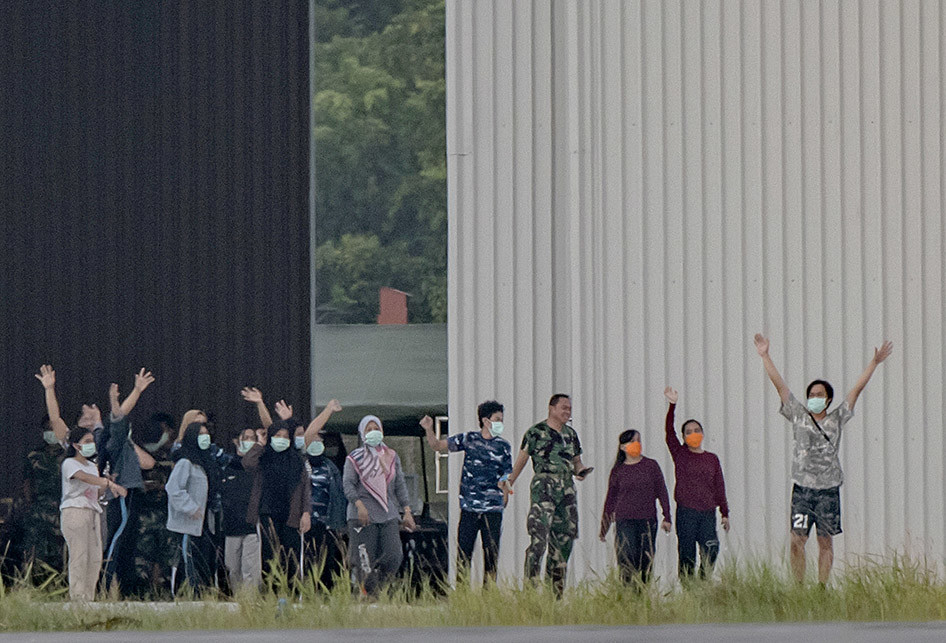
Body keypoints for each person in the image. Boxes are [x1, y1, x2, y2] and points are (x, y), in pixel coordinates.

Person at [754, 333, 893, 585]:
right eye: (811, 394)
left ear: (828, 399)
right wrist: (765, 355)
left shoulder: (837, 418)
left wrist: (874, 363)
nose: (814, 397)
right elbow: (780, 386)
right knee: (797, 540)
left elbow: (856, 390)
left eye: (819, 394)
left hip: (828, 490)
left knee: (825, 541)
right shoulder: (798, 415)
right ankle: (798, 587)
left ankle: (820, 588)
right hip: (802, 490)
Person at [507, 394, 591, 597]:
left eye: (569, 409)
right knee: (539, 539)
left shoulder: (571, 434)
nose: (567, 412)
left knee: (564, 540)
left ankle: (555, 594)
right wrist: (509, 482)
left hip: (566, 488)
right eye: (563, 408)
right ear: (551, 408)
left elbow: (576, 460)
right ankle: (530, 589)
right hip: (545, 486)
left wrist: (580, 470)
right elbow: (522, 459)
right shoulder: (536, 432)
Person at [421, 400, 512, 583]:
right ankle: (462, 594)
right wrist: (429, 429)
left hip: (492, 510)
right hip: (470, 508)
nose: (500, 423)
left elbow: (506, 475)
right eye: (497, 419)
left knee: (491, 556)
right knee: (464, 554)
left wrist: (505, 490)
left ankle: (489, 597)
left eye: (501, 419)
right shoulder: (469, 439)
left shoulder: (503, 446)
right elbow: (437, 445)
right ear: (486, 421)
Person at [99, 369, 157, 597]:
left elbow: (149, 463)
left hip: (133, 495)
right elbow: (119, 419)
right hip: (121, 496)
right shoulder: (114, 444)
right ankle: (105, 586)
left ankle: (125, 588)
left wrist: (131, 442)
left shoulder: (127, 446)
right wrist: (134, 392)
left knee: (129, 544)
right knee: (118, 541)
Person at [343, 415, 415, 597]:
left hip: (387, 513)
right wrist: (359, 505)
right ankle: (369, 594)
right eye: (369, 429)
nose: (373, 432)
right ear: (362, 433)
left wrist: (407, 510)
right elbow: (348, 484)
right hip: (362, 515)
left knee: (393, 555)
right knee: (364, 560)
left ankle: (381, 589)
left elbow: (399, 484)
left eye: (377, 428)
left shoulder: (391, 456)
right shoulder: (354, 458)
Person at [663, 387, 730, 580]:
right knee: (686, 554)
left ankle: (703, 581)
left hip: (707, 512)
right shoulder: (681, 454)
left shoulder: (711, 459)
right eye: (689, 432)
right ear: (684, 437)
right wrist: (672, 405)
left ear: (702, 433)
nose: (693, 434)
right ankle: (689, 588)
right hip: (686, 512)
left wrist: (724, 513)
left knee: (711, 549)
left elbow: (719, 486)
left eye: (697, 430)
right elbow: (668, 432)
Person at [242, 406, 312, 583]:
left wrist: (306, 512)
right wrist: (260, 443)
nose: (281, 440)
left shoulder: (297, 459)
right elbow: (247, 463)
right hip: (267, 513)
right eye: (277, 436)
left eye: (285, 437)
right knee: (269, 557)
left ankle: (293, 594)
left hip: (291, 514)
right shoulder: (264, 457)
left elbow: (305, 487)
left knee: (291, 557)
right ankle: (270, 594)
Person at [60, 425, 127, 601]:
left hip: (92, 512)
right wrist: (107, 482)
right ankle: (78, 596)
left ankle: (88, 596)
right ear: (76, 445)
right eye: (87, 442)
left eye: (92, 441)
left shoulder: (92, 466)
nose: (91, 445)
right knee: (79, 555)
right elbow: (82, 477)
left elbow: (95, 491)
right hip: (75, 511)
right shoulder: (70, 464)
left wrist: (105, 484)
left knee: (95, 557)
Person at [599, 430, 671, 585]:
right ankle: (627, 593)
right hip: (625, 521)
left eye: (638, 440)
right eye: (632, 442)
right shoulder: (618, 471)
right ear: (623, 447)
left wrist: (667, 516)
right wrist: (604, 527)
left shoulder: (651, 466)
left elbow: (661, 491)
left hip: (647, 520)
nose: (636, 444)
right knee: (626, 558)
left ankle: (642, 592)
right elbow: (610, 499)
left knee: (645, 560)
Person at [165, 422, 218, 592]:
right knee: (187, 560)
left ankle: (202, 594)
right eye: (200, 434)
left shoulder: (206, 461)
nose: (205, 437)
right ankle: (185, 594)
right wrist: (191, 507)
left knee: (202, 561)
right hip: (188, 523)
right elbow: (173, 489)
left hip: (204, 523)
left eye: (206, 433)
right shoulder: (185, 461)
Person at [301, 400, 346, 588]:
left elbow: (339, 494)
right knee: (307, 561)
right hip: (305, 521)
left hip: (327, 523)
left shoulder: (330, 467)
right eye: (315, 440)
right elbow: (310, 433)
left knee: (327, 564)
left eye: (321, 441)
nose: (317, 442)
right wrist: (328, 411)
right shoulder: (301, 462)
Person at [221, 428, 263, 592]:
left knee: (250, 568)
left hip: (252, 524)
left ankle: (250, 602)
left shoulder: (259, 466)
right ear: (237, 441)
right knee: (232, 568)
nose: (249, 440)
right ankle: (238, 602)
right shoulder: (227, 465)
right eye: (245, 437)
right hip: (231, 525)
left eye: (252, 438)